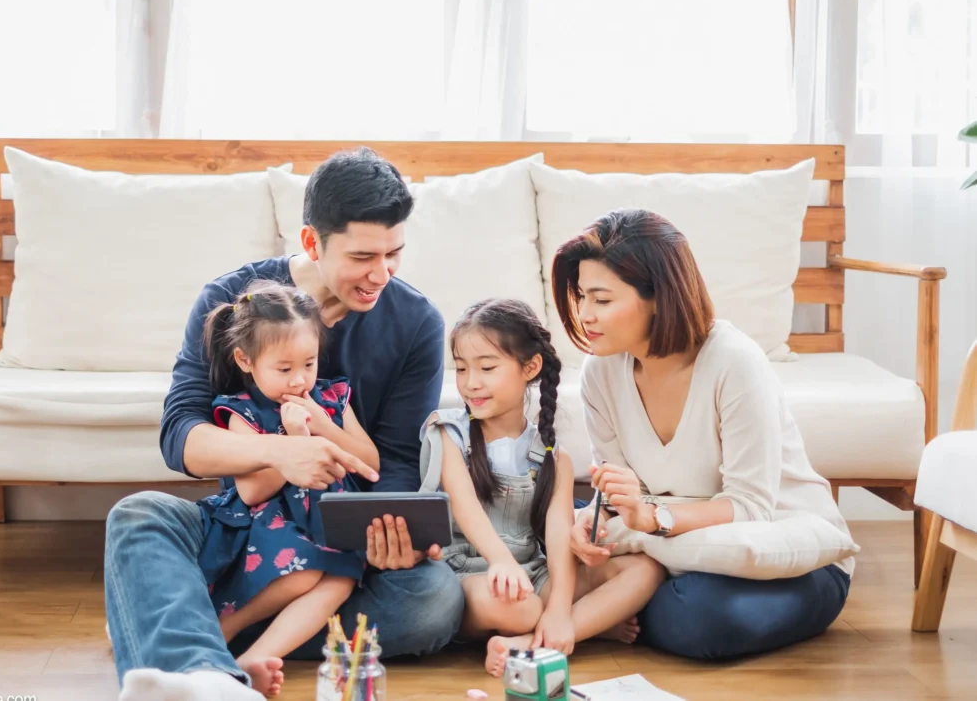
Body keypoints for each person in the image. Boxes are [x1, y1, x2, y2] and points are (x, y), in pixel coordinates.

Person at [106, 148, 464, 701]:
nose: (382, 274)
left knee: (434, 598)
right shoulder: (232, 300)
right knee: (139, 517)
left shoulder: (416, 322)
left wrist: (387, 538)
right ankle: (207, 663)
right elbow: (181, 436)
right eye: (364, 256)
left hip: (338, 552)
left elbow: (392, 463)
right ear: (311, 243)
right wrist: (280, 454)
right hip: (244, 533)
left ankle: (182, 635)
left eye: (395, 254)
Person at [550, 208, 853, 661]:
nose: (585, 315)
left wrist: (649, 519)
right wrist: (591, 520)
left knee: (696, 619)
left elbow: (749, 506)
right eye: (581, 296)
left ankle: (614, 602)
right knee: (548, 521)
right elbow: (620, 498)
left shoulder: (734, 362)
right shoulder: (601, 372)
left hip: (782, 554)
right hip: (672, 545)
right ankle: (617, 599)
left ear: (658, 297)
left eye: (602, 299)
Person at [419, 299, 664, 677]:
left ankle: (540, 639)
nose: (471, 382)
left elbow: (558, 538)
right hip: (466, 575)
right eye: (462, 368)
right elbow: (466, 507)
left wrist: (561, 609)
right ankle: (583, 630)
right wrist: (500, 562)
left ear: (529, 368)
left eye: (486, 367)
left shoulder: (554, 457)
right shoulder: (447, 432)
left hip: (531, 574)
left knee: (644, 570)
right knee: (523, 607)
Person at [195, 281, 376, 692]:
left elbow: (369, 463)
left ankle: (257, 656)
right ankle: (219, 632)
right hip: (270, 523)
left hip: (328, 522)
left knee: (341, 576)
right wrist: (294, 442)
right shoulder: (241, 411)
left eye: (308, 364)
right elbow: (252, 492)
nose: (299, 380)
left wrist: (323, 424)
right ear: (246, 360)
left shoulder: (331, 398)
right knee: (303, 572)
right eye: (284, 368)